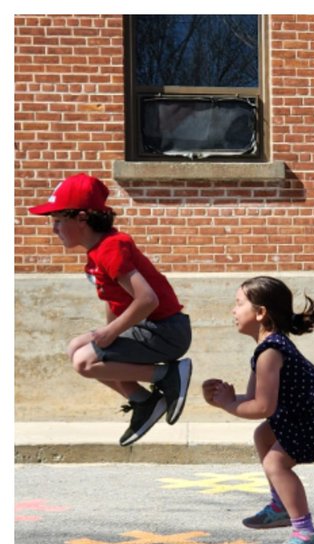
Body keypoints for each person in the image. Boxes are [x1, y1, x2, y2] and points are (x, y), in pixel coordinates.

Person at [29, 173, 192, 447]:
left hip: (165, 331)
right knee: (75, 348)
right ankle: (144, 402)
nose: (53, 229)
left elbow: (147, 300)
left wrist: (110, 333)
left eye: (58, 220)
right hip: (153, 329)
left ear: (82, 219)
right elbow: (114, 303)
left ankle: (168, 376)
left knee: (85, 361)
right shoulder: (97, 252)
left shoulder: (111, 248)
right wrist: (108, 333)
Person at [202, 277, 314, 544]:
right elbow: (252, 399)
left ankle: (305, 532)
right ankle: (281, 505)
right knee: (264, 435)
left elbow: (262, 407)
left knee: (276, 461)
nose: (233, 311)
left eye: (238, 304)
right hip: (310, 410)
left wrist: (228, 406)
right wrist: (224, 398)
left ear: (260, 313)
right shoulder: (265, 349)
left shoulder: (270, 351)